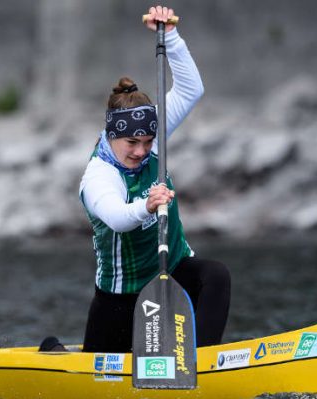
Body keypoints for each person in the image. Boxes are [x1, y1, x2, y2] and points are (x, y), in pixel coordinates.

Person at [72, 6, 231, 353]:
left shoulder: (151, 136)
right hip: (121, 296)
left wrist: (169, 35)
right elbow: (117, 217)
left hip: (171, 269)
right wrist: (147, 205)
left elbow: (191, 90)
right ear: (112, 135)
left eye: (147, 142)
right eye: (132, 143)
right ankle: (52, 348)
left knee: (215, 275)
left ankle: (200, 363)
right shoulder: (99, 175)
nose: (142, 151)